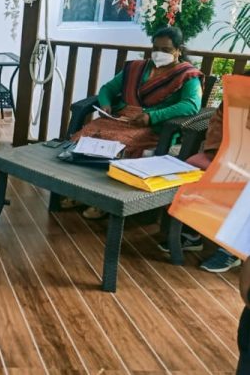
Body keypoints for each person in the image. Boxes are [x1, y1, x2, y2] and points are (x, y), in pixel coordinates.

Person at [67, 26, 203, 219]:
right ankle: (80, 192)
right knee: (87, 135)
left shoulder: (187, 75)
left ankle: (104, 201)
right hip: (120, 118)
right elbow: (108, 89)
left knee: (121, 145)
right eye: (155, 48)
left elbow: (190, 105)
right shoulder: (137, 68)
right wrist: (106, 104)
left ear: (178, 50)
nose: (159, 54)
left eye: (166, 50)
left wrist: (152, 116)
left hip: (152, 125)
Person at [156, 101, 241, 272]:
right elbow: (219, 119)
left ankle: (232, 249)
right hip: (225, 151)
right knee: (191, 167)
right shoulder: (240, 91)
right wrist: (220, 150)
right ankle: (192, 232)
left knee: (241, 182)